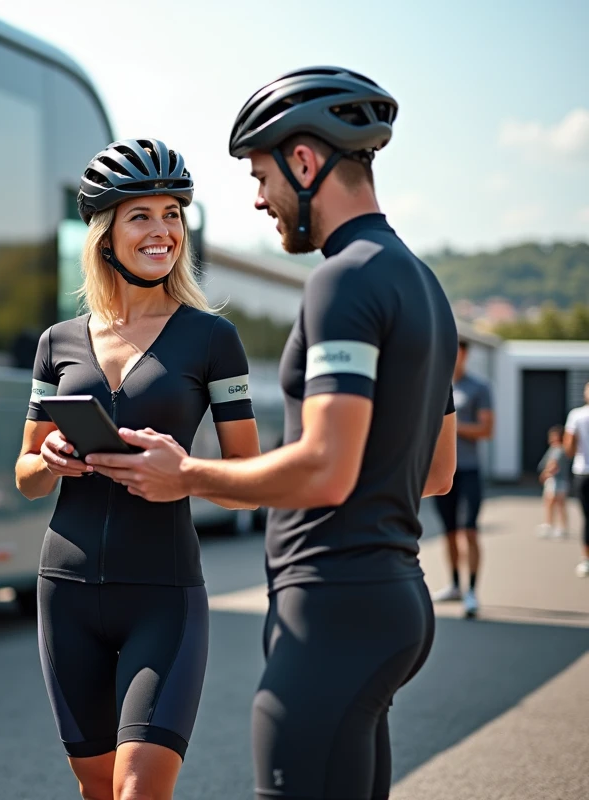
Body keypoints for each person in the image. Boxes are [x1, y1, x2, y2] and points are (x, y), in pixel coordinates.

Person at [85, 67, 458, 800]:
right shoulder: (421, 282)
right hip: (396, 599)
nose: (259, 197)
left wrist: (188, 474)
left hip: (332, 605)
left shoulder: (342, 280)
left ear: (305, 162)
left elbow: (323, 468)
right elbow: (437, 469)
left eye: (261, 175)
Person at [14, 138, 261, 800]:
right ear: (106, 234)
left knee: (139, 791)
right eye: (142, 216)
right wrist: (52, 460)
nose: (162, 231)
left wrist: (186, 474)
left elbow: (250, 476)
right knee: (97, 789)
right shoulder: (58, 343)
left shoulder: (213, 339)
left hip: (164, 592)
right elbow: (24, 473)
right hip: (64, 590)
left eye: (172, 214)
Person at [431, 338, 494, 616]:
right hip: (440, 473)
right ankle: (455, 585)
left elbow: (486, 430)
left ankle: (471, 592)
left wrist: (450, 425)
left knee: (469, 531)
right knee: (449, 534)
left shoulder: (479, 387)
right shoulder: (433, 384)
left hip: (468, 470)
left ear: (465, 355)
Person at [565, 381, 589, 576]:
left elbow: (569, 447)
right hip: (583, 471)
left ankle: (586, 559)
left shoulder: (577, 415)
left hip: (583, 472)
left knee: (587, 518)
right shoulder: (577, 415)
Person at [537, 425, 571, 539]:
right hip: (558, 480)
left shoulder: (558, 449)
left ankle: (556, 526)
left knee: (555, 503)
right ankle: (555, 526)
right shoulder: (555, 448)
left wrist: (546, 473)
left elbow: (554, 464)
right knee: (554, 503)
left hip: (557, 480)